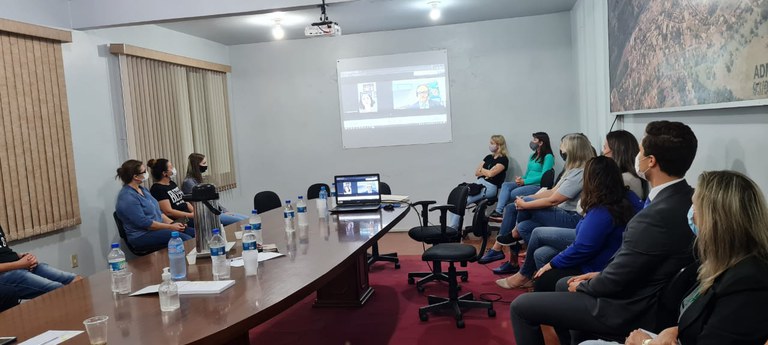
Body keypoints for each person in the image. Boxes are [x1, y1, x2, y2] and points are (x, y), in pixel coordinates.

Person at [510, 121, 698, 345]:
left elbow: (618, 276)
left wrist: (587, 284)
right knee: (562, 283)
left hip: (627, 306)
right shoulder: (688, 198)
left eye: (640, 151)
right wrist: (597, 275)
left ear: (651, 161)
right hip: (642, 289)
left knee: (521, 307)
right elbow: (633, 263)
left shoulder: (653, 217)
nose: (636, 156)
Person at [582, 170, 768, 345]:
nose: (691, 213)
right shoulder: (719, 262)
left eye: (695, 207)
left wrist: (646, 342)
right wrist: (676, 330)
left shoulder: (747, 282)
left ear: (715, 221)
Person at [495, 156, 640, 291]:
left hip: (596, 262)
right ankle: (528, 270)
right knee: (539, 250)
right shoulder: (627, 197)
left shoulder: (602, 209)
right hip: (600, 250)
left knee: (534, 228)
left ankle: (525, 272)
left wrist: (553, 263)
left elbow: (583, 247)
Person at [479, 133, 594, 276]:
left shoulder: (579, 172)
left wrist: (525, 202)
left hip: (571, 217)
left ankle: (511, 238)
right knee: (521, 220)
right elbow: (552, 191)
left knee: (521, 204)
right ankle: (520, 256)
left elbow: (554, 200)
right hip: (559, 208)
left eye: (563, 147)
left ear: (573, 150)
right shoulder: (570, 170)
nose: (561, 150)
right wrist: (527, 197)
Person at [115, 159, 194, 252]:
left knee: (194, 233)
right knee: (186, 240)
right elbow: (145, 223)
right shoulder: (127, 197)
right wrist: (170, 227)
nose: (147, 173)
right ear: (135, 177)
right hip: (142, 235)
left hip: (158, 229)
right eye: (144, 171)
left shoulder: (142, 189)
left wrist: (173, 223)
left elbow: (158, 212)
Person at [0, 224, 81, 300]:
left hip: (19, 266)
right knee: (60, 289)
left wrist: (24, 257)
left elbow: (4, 252)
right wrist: (20, 264)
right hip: (7, 274)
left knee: (76, 279)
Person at [448, 135, 509, 230]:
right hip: (478, 183)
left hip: (490, 187)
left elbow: (491, 174)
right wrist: (487, 172)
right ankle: (451, 228)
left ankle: (453, 229)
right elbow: (477, 172)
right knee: (457, 199)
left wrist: (483, 170)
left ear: (499, 145)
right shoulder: (488, 157)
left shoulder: (504, 159)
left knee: (463, 201)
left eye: (492, 143)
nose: (490, 145)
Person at [489, 132, 555, 218]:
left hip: (537, 185)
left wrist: (525, 181)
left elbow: (544, 177)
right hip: (526, 182)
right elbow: (527, 173)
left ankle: (507, 213)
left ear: (541, 142)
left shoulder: (548, 157)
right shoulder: (532, 156)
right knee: (505, 185)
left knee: (513, 193)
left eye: (535, 140)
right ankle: (499, 212)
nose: (532, 141)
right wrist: (521, 179)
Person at [182, 153, 248, 226]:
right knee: (242, 222)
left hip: (215, 211)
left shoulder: (198, 179)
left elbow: (212, 200)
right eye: (204, 163)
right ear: (196, 166)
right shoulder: (189, 182)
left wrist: (225, 211)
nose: (206, 165)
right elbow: (203, 203)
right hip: (208, 214)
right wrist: (221, 213)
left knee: (247, 219)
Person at [602, 130, 647, 200]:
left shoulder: (625, 179)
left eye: (605, 148)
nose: (603, 152)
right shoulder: (627, 177)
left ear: (617, 151)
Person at [148, 158, 194, 224]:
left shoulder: (172, 183)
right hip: (178, 220)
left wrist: (195, 212)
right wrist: (191, 215)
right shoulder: (157, 188)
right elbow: (168, 212)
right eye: (171, 167)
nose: (173, 169)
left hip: (187, 215)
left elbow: (185, 201)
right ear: (164, 173)